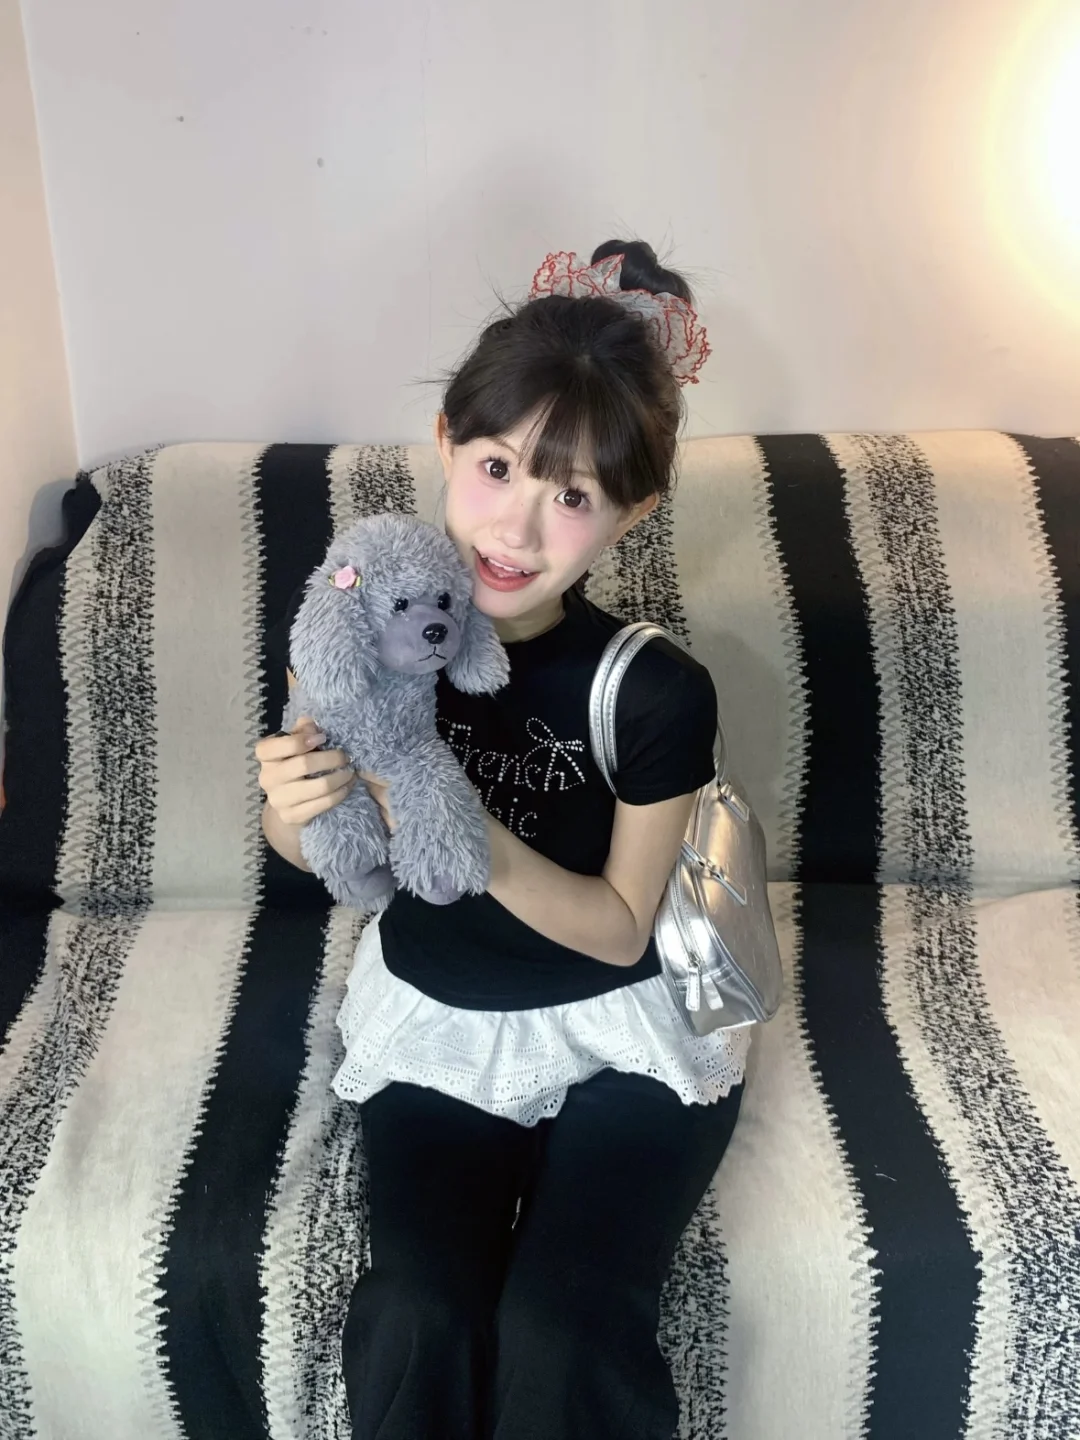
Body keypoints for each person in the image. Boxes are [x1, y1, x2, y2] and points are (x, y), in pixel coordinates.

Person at [257, 240, 752, 1440]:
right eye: (496, 468)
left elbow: (622, 928)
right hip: (438, 1020)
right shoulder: (364, 624)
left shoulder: (656, 689)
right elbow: (319, 852)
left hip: (624, 1027)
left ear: (631, 513)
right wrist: (293, 804)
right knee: (420, 1312)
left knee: (564, 1325)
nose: (516, 528)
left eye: (572, 497)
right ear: (445, 443)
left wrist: (450, 811)